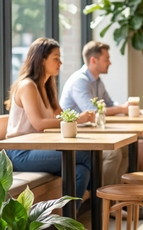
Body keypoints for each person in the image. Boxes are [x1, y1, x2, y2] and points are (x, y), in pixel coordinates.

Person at [5, 38, 94, 200]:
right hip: (19, 153)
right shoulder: (27, 85)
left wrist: (81, 120)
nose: (60, 62)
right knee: (87, 154)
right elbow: (39, 124)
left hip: (37, 149)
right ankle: (100, 201)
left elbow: (63, 116)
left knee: (81, 171)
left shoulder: (46, 87)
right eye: (56, 58)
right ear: (42, 60)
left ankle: (67, 223)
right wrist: (78, 119)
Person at [60, 41, 129, 185]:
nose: (109, 63)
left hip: (89, 135)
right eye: (106, 59)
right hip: (74, 138)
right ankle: (102, 200)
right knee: (113, 154)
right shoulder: (79, 81)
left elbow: (109, 104)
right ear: (93, 60)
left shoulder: (97, 82)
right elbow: (93, 112)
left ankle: (114, 200)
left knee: (124, 150)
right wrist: (122, 109)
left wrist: (123, 107)